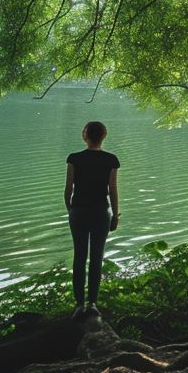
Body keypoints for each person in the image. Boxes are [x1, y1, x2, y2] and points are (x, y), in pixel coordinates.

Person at [64, 120, 120, 317]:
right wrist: (115, 214)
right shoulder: (111, 160)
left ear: (85, 136)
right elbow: (112, 189)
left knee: (79, 257)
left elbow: (68, 188)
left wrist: (70, 209)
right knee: (97, 258)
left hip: (78, 211)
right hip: (100, 212)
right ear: (103, 136)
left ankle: (79, 305)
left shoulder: (74, 158)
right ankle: (93, 304)